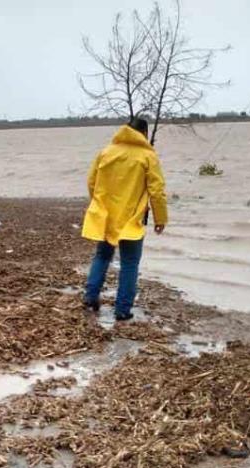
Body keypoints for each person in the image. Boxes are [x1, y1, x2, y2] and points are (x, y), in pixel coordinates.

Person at [81, 117, 168, 321]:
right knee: (129, 263)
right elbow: (157, 190)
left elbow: (91, 181)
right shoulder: (148, 155)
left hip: (106, 215)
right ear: (145, 134)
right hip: (131, 218)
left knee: (102, 256)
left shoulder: (106, 152)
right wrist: (160, 218)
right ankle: (122, 309)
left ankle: (90, 296)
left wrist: (98, 204)